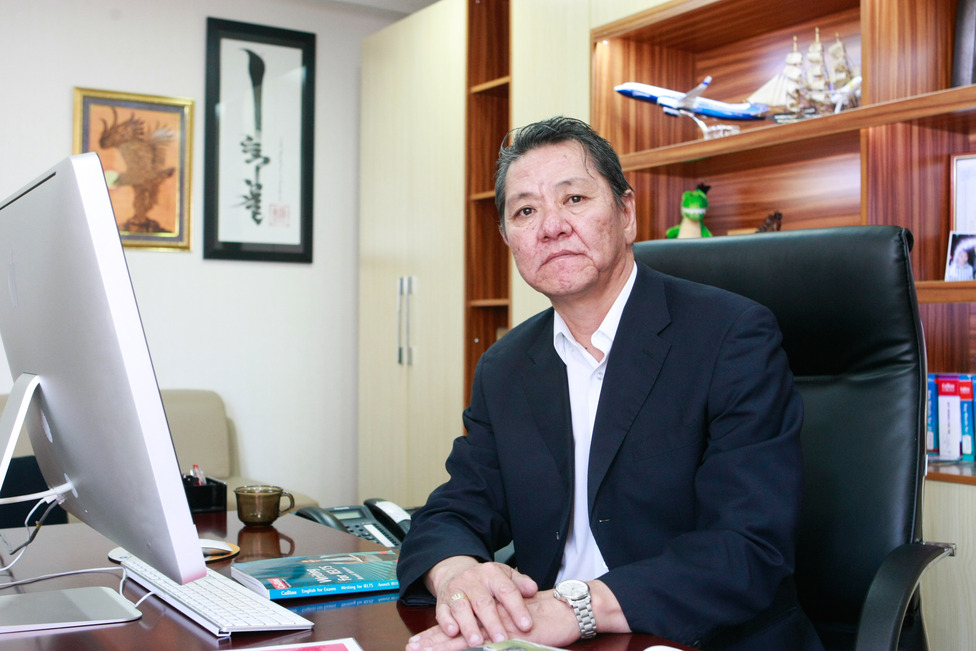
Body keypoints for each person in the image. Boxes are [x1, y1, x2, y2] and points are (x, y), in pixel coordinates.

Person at [397, 116, 822, 650]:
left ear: (627, 214)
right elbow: (455, 507)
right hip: (544, 638)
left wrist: (574, 608)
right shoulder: (506, 366)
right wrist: (458, 575)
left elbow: (748, 547)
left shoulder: (731, 336)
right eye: (526, 211)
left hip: (699, 637)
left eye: (574, 199)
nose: (551, 226)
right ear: (509, 240)